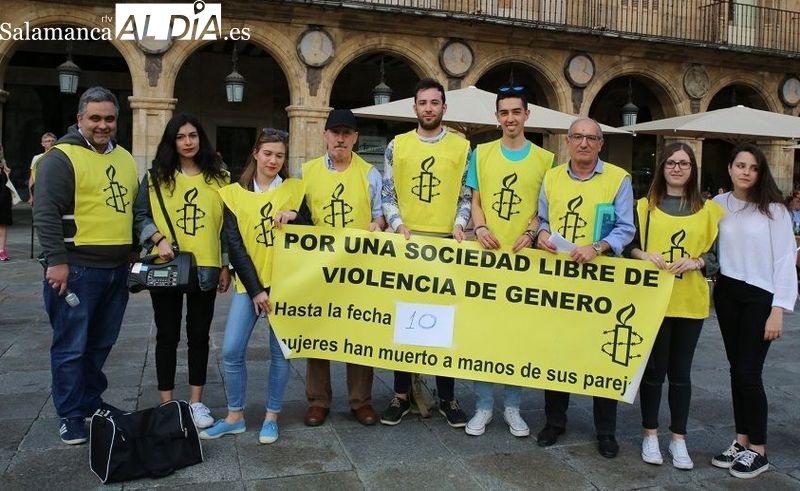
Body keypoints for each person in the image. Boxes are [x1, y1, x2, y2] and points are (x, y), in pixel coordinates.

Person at [33, 87, 138, 445]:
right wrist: (56, 262)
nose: (103, 125)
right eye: (95, 118)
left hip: (116, 269)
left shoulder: (125, 157)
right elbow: (45, 213)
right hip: (76, 269)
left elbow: (130, 209)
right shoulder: (60, 158)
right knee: (70, 347)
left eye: (109, 118)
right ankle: (71, 414)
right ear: (80, 119)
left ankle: (91, 402)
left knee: (100, 344)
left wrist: (135, 250)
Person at [534, 117, 635, 458]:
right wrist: (542, 235)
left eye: (591, 138)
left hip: (600, 281)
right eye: (578, 137)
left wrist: (599, 247)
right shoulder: (551, 177)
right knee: (557, 350)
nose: (584, 144)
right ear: (567, 140)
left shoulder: (618, 179)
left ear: (601, 144)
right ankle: (554, 422)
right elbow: (542, 220)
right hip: (559, 280)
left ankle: (606, 431)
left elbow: (626, 228)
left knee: (599, 354)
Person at [199, 128, 304, 445]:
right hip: (250, 287)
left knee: (279, 354)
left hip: (285, 284)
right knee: (231, 350)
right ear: (256, 154)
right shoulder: (233, 194)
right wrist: (257, 289)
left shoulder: (294, 191)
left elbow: (310, 230)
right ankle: (235, 416)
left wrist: (295, 215)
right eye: (268, 153)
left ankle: (272, 416)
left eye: (280, 155)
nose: (273, 160)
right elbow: (235, 244)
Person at [624, 143, 724, 469]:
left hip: (690, 302)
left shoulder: (708, 211)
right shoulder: (644, 207)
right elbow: (629, 247)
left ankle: (679, 437)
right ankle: (650, 433)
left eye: (684, 163)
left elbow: (717, 257)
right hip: (654, 300)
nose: (677, 168)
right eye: (671, 162)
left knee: (681, 374)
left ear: (693, 169)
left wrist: (696, 262)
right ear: (662, 167)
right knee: (654, 372)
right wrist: (644, 256)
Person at [380, 77, 471, 428]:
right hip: (407, 243)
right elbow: (388, 193)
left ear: (444, 108)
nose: (429, 108)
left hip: (447, 245)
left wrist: (461, 225)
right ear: (414, 107)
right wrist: (398, 223)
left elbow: (465, 195)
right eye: (423, 103)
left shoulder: (463, 148)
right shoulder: (396, 146)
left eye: (435, 103)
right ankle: (401, 394)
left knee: (443, 325)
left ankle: (447, 396)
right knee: (405, 321)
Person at [464, 86, 553, 437]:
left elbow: (543, 211)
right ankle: (484, 405)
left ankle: (513, 407)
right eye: (504, 113)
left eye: (516, 112)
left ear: (527, 115)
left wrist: (531, 234)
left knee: (517, 335)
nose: (510, 118)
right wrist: (481, 225)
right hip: (486, 257)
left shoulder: (545, 160)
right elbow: (476, 199)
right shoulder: (481, 153)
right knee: (484, 333)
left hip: (523, 259)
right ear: (497, 117)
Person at [133, 113, 231, 429]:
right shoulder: (155, 177)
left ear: (201, 138)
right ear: (171, 141)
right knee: (167, 335)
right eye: (180, 137)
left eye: (192, 135)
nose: (188, 142)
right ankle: (166, 403)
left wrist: (226, 264)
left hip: (206, 267)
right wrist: (158, 238)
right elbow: (139, 216)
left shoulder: (221, 178)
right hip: (167, 267)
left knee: (199, 336)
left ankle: (196, 401)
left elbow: (228, 226)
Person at [710, 143, 796, 479]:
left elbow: (784, 261)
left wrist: (779, 309)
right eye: (740, 165)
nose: (746, 172)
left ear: (761, 173)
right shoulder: (717, 205)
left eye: (753, 167)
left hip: (761, 296)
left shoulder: (774, 211)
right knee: (736, 370)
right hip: (728, 292)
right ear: (730, 168)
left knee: (749, 372)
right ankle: (741, 441)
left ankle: (758, 449)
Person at [300, 109, 386, 427]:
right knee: (318, 332)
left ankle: (360, 400)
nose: (340, 138)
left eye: (346, 133)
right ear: (324, 136)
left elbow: (379, 215)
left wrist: (378, 225)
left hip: (358, 267)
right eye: (335, 132)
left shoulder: (369, 174)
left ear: (355, 138)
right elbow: (299, 216)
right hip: (320, 267)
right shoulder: (306, 172)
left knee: (359, 331)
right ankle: (318, 400)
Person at [28, 132, 57, 205]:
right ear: (42, 144)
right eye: (47, 141)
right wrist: (31, 196)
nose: (50, 143)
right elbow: (32, 178)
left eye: (52, 141)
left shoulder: (59, 157)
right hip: (39, 191)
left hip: (55, 191)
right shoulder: (37, 158)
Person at [0, 158, 12, 261]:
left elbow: (7, 185)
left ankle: (1, 250)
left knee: (2, 226)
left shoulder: (4, 169)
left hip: (3, 202)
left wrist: (6, 172)